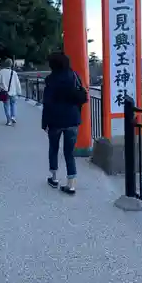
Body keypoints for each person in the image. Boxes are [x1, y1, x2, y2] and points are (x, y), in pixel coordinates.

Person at [41, 52, 87, 195]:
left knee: (53, 149)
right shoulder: (74, 76)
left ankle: (54, 178)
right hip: (72, 119)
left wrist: (45, 123)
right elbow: (81, 96)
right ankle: (71, 185)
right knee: (69, 153)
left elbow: (47, 103)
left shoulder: (50, 79)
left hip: (55, 120)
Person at [0, 58, 22, 126]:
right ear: (11, 65)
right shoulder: (14, 73)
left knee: (6, 106)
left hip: (5, 92)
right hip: (13, 92)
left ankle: (8, 121)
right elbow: (17, 83)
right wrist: (19, 92)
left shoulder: (1, 72)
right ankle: (13, 117)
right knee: (13, 104)